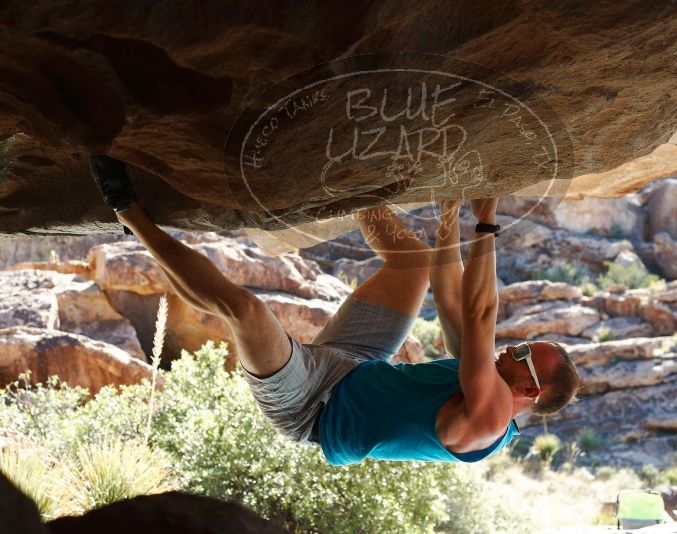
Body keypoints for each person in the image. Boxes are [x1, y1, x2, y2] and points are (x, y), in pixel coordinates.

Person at [90, 155, 579, 466]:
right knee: (412, 264)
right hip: (357, 362)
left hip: (311, 406)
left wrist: (487, 220)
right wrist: (450, 213)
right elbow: (453, 304)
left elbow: (479, 316)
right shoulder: (492, 379)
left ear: (530, 389)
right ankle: (350, 175)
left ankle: (127, 211)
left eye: (519, 352)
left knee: (245, 310)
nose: (507, 348)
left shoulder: (489, 418)